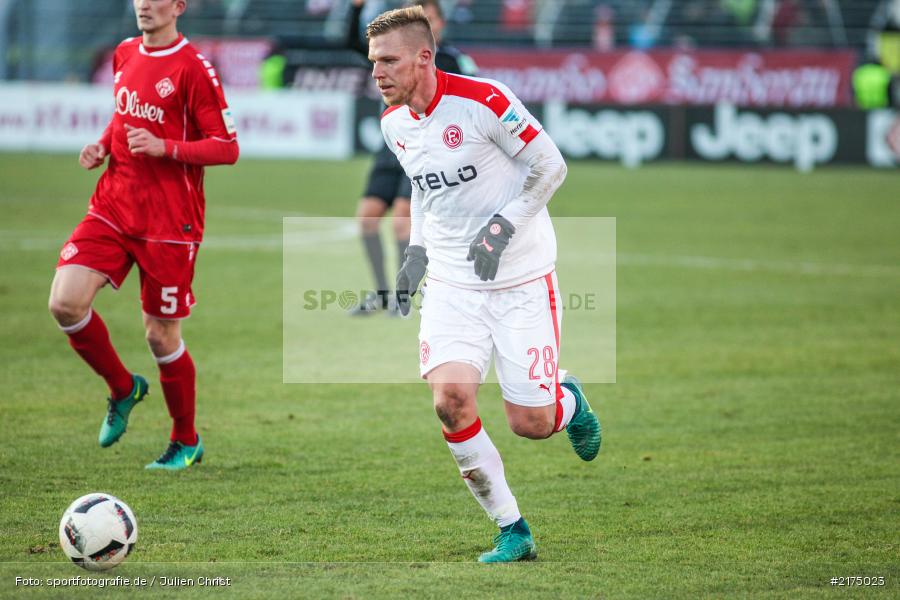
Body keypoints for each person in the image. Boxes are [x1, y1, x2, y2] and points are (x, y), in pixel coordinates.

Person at [368, 7, 601, 562]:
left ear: (423, 57)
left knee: (530, 423)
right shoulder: (393, 122)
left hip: (521, 278)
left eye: (388, 60)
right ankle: (511, 529)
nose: (377, 72)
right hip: (452, 283)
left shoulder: (484, 100)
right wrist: (417, 254)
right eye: (373, 61)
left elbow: (551, 166)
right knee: (450, 402)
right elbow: (426, 189)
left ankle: (567, 401)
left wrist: (501, 228)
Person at [48, 0, 238, 470]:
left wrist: (164, 146)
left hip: (170, 224)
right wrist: (103, 144)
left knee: (159, 335)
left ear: (179, 6)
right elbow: (123, 116)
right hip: (113, 205)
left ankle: (185, 440)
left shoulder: (194, 68)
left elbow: (227, 148)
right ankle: (122, 387)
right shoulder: (125, 52)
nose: (144, 5)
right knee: (65, 303)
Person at [345, 0, 476, 315]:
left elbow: (469, 105)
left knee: (403, 221)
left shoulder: (453, 61)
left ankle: (404, 294)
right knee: (367, 218)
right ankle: (380, 293)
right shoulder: (394, 55)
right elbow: (352, 44)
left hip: (425, 149)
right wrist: (354, 9)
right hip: (391, 148)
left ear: (441, 25)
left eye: (429, 19)